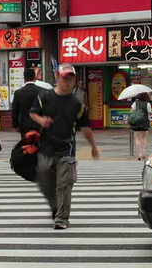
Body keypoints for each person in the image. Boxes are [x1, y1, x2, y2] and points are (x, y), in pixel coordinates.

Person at [30, 63, 99, 230]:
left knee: (64, 185)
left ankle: (61, 218)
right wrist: (42, 121)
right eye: (65, 78)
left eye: (71, 79)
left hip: (66, 150)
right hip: (45, 148)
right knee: (45, 183)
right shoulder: (44, 96)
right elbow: (33, 112)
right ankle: (55, 205)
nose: (68, 82)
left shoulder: (76, 104)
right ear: (57, 77)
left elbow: (85, 127)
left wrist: (93, 146)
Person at [11, 68, 45, 139]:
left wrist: (15, 125)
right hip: (39, 124)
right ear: (35, 77)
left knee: (26, 146)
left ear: (24, 78)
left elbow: (15, 110)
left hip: (24, 125)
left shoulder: (18, 93)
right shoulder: (42, 91)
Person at [131, 92, 152, 160]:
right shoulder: (148, 104)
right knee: (144, 138)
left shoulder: (135, 103)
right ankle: (143, 153)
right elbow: (149, 114)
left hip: (137, 122)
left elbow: (131, 112)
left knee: (137, 138)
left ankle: (139, 154)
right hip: (145, 122)